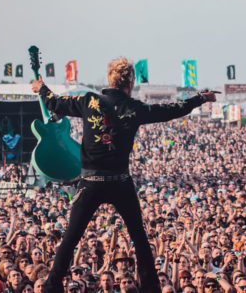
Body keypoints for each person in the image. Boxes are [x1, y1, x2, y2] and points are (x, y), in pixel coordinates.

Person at [31, 57, 217, 293]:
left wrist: (41, 87)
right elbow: (172, 110)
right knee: (139, 239)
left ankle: (51, 288)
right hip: (120, 182)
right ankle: (150, 288)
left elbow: (54, 103)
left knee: (70, 239)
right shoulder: (134, 108)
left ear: (110, 79)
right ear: (130, 82)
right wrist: (201, 97)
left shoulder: (88, 101)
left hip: (91, 183)